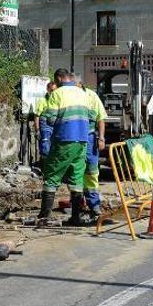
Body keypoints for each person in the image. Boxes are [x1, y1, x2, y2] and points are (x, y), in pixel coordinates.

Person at [38, 68, 92, 226]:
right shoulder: (82, 93)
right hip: (82, 141)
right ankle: (76, 217)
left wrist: (45, 137)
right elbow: (90, 117)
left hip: (64, 140)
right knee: (76, 179)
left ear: (60, 79)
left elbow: (49, 119)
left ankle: (45, 216)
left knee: (52, 176)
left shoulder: (58, 94)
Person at [78, 78, 107, 222]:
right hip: (73, 140)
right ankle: (78, 205)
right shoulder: (67, 95)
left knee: (91, 171)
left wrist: (101, 138)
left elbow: (101, 118)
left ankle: (94, 205)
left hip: (89, 138)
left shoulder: (91, 96)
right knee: (76, 172)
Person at [34, 81, 57, 159]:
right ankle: (44, 165)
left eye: (55, 90)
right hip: (45, 125)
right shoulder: (42, 100)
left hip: (55, 126)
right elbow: (37, 116)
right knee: (45, 145)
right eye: (51, 90)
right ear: (48, 89)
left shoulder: (58, 101)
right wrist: (37, 130)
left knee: (54, 147)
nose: (53, 92)